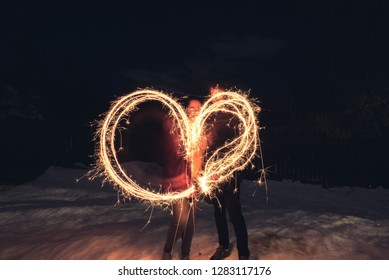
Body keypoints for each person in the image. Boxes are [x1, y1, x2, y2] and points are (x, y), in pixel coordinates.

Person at [207, 85, 250, 260]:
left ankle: (244, 254)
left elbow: (236, 149)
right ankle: (224, 246)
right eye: (212, 94)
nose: (214, 97)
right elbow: (211, 149)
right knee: (218, 214)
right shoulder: (211, 118)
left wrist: (223, 168)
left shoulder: (233, 116)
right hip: (215, 177)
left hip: (230, 176)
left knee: (234, 215)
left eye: (216, 93)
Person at [162, 99, 205, 260]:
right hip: (180, 183)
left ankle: (185, 255)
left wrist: (203, 176)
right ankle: (167, 253)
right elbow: (172, 156)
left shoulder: (201, 132)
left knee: (190, 224)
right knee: (179, 222)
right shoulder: (180, 130)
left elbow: (201, 158)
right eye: (191, 108)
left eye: (198, 109)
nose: (194, 111)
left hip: (194, 184)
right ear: (186, 110)